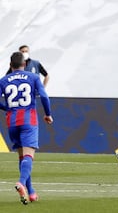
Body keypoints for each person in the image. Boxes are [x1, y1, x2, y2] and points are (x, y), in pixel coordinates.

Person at [0, 52, 53, 205]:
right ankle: (21, 183)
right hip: (29, 121)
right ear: (24, 64)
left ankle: (31, 192)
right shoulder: (33, 77)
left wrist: (7, 108)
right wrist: (48, 114)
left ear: (10, 66)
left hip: (12, 122)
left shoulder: (3, 80)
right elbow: (44, 96)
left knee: (22, 157)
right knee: (29, 156)